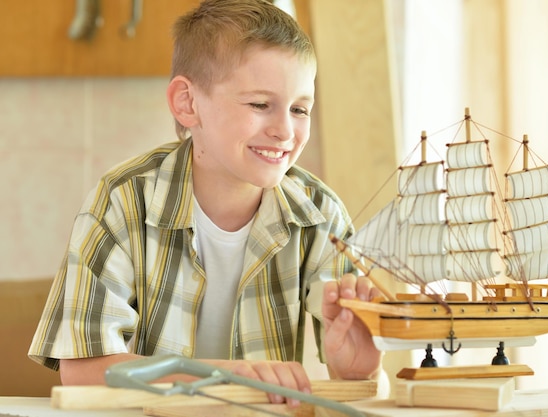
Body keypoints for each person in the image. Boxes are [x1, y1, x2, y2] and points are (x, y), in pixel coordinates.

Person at [28, 0, 382, 406]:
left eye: (300, 109)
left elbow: (363, 390)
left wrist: (356, 371)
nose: (285, 130)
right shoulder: (124, 200)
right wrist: (225, 377)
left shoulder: (321, 215)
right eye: (259, 104)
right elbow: (82, 371)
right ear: (187, 103)